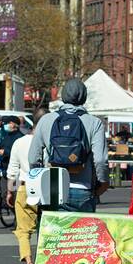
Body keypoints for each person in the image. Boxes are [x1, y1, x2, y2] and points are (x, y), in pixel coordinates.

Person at [28, 77, 109, 212]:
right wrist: (103, 183)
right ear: (84, 96)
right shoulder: (94, 123)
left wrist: (39, 182)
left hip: (52, 187)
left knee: (51, 232)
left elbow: (33, 158)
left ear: (63, 96)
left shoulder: (46, 120)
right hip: (83, 188)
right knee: (82, 232)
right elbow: (100, 160)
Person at [5, 121, 39, 264]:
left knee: (23, 231)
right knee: (47, 228)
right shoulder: (48, 140)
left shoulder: (19, 142)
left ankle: (29, 261)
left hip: (25, 187)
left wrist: (9, 191)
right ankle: (45, 263)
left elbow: (13, 170)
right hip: (47, 187)